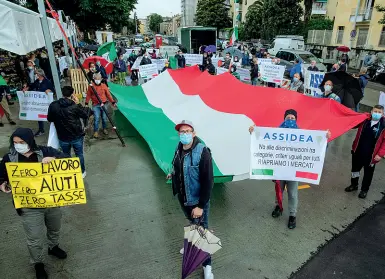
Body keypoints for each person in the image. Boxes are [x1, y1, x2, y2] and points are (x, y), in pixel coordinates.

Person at [0, 128, 68, 279]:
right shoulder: (9, 158)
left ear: (30, 141)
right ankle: (38, 263)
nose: (18, 145)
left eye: (22, 142)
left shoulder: (46, 151)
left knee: (54, 228)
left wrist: (55, 160)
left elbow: (69, 161)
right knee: (34, 239)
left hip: (51, 202)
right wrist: (2, 184)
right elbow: (1, 176)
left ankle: (53, 247)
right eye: (15, 142)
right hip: (29, 207)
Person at [249, 110, 331, 229]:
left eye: (293, 118)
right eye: (288, 118)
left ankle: (292, 215)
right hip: (279, 169)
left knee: (292, 193)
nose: (290, 120)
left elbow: (315, 146)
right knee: (279, 190)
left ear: (296, 120)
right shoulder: (275, 132)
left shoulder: (301, 134)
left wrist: (325, 138)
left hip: (293, 171)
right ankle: (278, 207)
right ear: (284, 118)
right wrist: (254, 131)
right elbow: (263, 141)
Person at [167, 120, 214, 279]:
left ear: (194, 133)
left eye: (187, 131)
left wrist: (201, 205)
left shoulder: (202, 152)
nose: (184, 134)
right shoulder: (179, 148)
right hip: (183, 198)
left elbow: (208, 181)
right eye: (181, 132)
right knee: (192, 224)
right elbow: (178, 167)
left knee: (202, 231)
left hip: (197, 200)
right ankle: (191, 247)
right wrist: (172, 174)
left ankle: (207, 266)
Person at [47, 86, 91, 178]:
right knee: (79, 154)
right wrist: (78, 103)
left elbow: (49, 118)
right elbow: (85, 114)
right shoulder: (74, 106)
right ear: (72, 95)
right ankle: (82, 172)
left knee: (66, 155)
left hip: (62, 137)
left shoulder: (53, 105)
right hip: (76, 136)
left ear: (62, 93)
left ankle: (69, 171)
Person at [345, 105, 385, 199]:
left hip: (371, 155)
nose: (377, 114)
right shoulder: (364, 120)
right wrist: (357, 117)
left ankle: (364, 190)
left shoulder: (383, 125)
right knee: (355, 170)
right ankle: (354, 185)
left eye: (379, 112)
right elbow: (353, 125)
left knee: (368, 174)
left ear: (383, 114)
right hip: (358, 151)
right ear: (371, 111)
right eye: (375, 111)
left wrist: (380, 154)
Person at [24, 69, 55, 137]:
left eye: (37, 74)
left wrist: (49, 90)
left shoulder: (47, 82)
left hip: (46, 102)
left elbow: (53, 90)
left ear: (40, 74)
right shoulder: (37, 81)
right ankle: (41, 129)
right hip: (39, 102)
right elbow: (32, 86)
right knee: (39, 115)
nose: (36, 75)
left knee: (49, 115)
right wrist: (27, 88)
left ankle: (54, 129)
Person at [85, 73, 116, 138]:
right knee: (96, 118)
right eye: (96, 79)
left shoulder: (104, 86)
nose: (97, 80)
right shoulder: (91, 86)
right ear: (93, 79)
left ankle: (104, 128)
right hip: (95, 105)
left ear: (101, 79)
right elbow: (88, 95)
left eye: (99, 79)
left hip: (104, 104)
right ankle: (96, 131)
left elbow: (108, 95)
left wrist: (112, 102)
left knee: (104, 118)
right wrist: (86, 102)